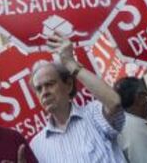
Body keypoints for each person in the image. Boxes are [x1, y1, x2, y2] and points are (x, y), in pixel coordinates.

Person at [29, 32, 126, 163]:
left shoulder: (93, 114)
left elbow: (114, 102)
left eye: (50, 84)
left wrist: (70, 63)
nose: (44, 92)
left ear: (68, 85)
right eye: (39, 89)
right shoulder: (37, 146)